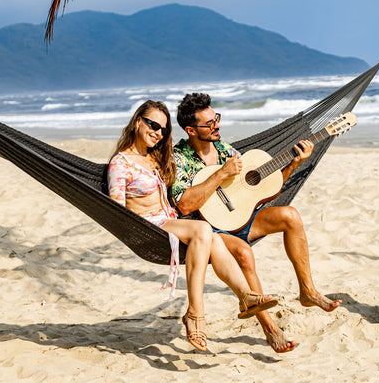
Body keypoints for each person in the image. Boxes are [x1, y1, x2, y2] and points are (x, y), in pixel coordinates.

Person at [169, 93, 342, 353]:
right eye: (209, 123)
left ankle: (308, 291)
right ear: (191, 130)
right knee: (245, 254)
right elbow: (184, 204)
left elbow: (260, 188)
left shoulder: (225, 149)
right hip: (209, 229)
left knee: (290, 215)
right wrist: (220, 173)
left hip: (241, 218)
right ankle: (271, 329)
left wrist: (295, 163)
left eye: (216, 118)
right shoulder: (178, 158)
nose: (216, 124)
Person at [107, 100, 278, 352]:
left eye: (164, 129)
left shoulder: (154, 157)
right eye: (153, 125)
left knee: (215, 238)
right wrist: (136, 228)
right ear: (137, 122)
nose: (158, 132)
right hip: (148, 227)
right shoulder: (120, 164)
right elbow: (115, 211)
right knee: (203, 230)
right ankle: (195, 313)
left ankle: (246, 296)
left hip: (172, 221)